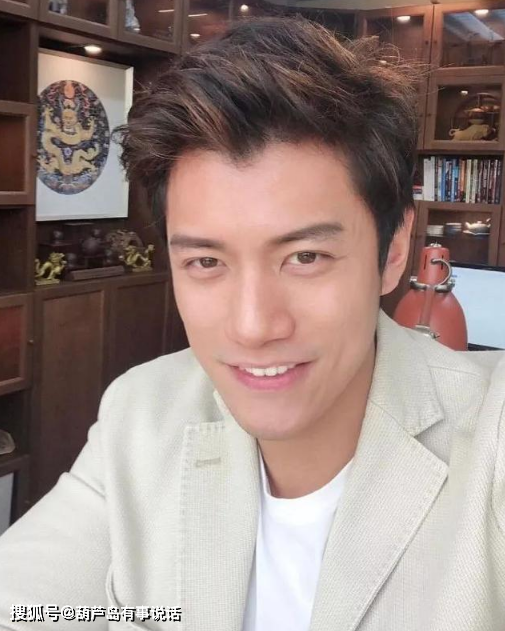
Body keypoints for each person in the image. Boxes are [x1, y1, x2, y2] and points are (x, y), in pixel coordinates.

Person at [1, 15, 505, 631]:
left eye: (305, 257)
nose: (253, 326)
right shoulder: (144, 414)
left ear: (394, 250)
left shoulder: (491, 440)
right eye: (206, 262)